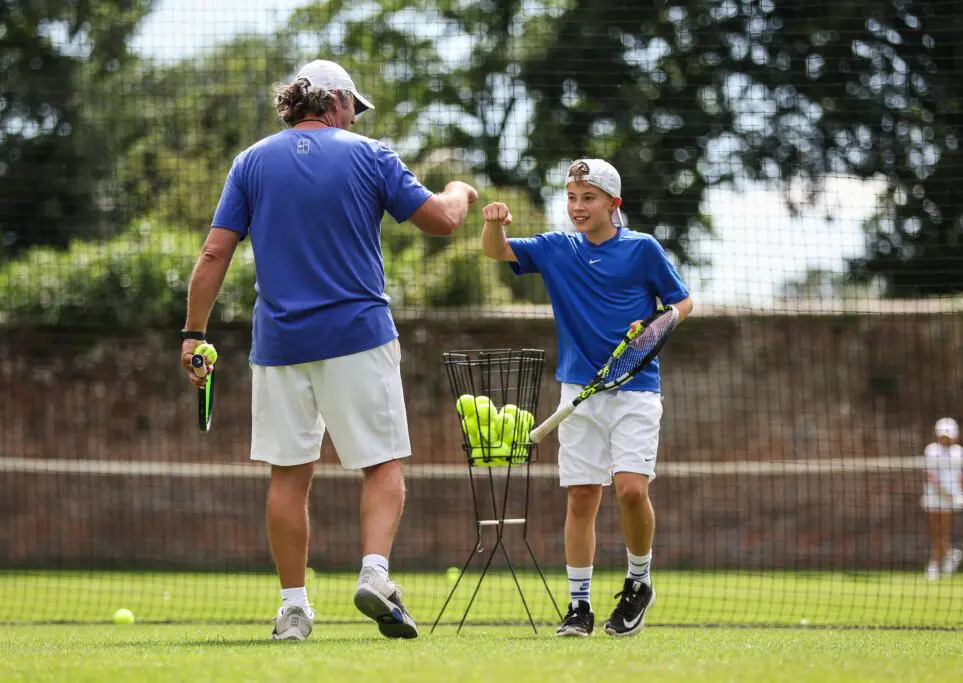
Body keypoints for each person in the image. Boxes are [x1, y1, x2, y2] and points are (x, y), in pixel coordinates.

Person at [179, 59, 478, 641]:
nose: (356, 120)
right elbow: (442, 222)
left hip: (279, 344)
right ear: (336, 101)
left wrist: (194, 334)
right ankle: (375, 574)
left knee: (288, 476)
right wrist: (460, 189)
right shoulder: (371, 155)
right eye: (354, 109)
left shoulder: (251, 162)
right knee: (383, 463)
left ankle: (294, 608)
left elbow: (214, 255)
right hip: (358, 337)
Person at [480, 159, 693, 637]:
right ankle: (579, 606)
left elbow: (682, 301)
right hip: (577, 393)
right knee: (581, 498)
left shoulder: (643, 249)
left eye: (589, 197)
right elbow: (498, 253)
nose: (577, 206)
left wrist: (660, 325)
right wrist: (493, 225)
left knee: (631, 490)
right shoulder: (557, 248)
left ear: (613, 204)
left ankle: (639, 583)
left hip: (635, 390)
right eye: (572, 197)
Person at [922, 417, 963, 581]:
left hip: (950, 499)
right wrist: (944, 492)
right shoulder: (931, 450)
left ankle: (933, 565)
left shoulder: (960, 452)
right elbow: (929, 475)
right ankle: (950, 555)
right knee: (935, 532)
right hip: (933, 496)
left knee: (942, 533)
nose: (945, 438)